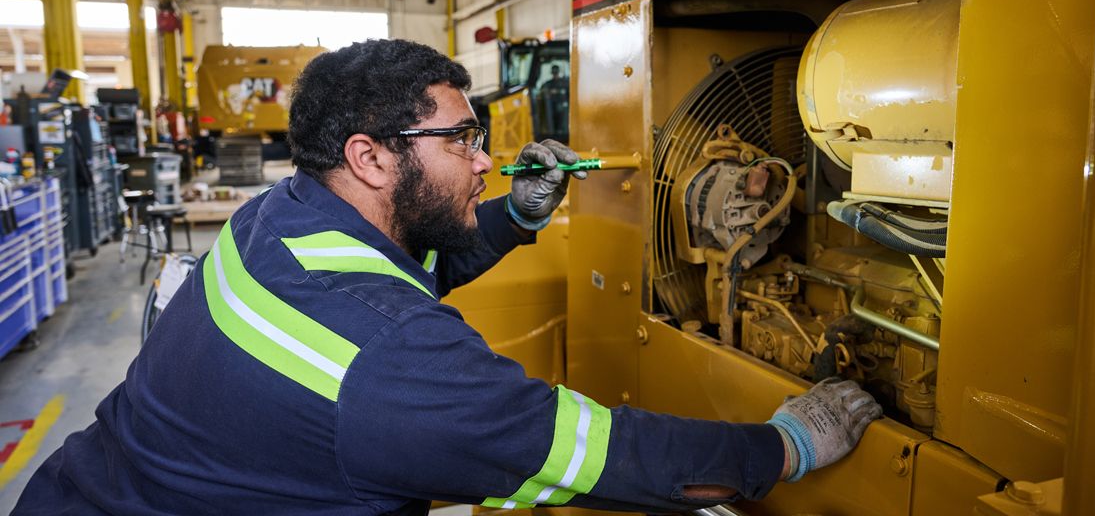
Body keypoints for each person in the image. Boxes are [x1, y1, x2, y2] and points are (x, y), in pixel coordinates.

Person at [14, 39, 880, 515]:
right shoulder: (394, 361)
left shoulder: (281, 219)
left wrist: (520, 215)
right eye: (462, 140)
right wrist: (783, 446)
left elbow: (403, 266)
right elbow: (597, 454)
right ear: (371, 157)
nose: (486, 159)